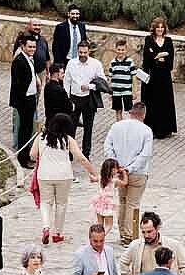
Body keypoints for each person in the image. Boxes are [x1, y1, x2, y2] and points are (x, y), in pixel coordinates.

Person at [31, 112, 97, 245]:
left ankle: (46, 227)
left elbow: (32, 154)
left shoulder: (41, 138)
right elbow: (81, 158)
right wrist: (93, 172)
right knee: (61, 204)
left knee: (46, 202)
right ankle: (58, 233)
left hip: (44, 175)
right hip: (64, 175)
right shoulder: (67, 140)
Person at [103, 101, 153, 246]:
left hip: (119, 171)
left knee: (123, 202)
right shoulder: (146, 130)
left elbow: (107, 146)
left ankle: (123, 233)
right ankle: (129, 235)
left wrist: (116, 165)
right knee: (132, 203)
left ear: (130, 112)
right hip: (138, 172)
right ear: (143, 114)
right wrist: (130, 168)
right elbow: (145, 154)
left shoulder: (116, 126)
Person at [119, 211, 185, 275]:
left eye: (149, 231)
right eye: (143, 232)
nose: (146, 235)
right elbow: (123, 263)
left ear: (157, 228)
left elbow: (184, 267)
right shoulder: (135, 245)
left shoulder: (173, 245)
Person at [64, 40, 106, 157]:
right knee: (71, 127)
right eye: (80, 52)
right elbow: (67, 81)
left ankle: (86, 154)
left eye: (85, 52)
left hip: (89, 99)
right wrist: (67, 99)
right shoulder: (71, 63)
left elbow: (103, 81)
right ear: (77, 51)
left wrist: (90, 86)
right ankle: (70, 152)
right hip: (74, 99)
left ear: (89, 52)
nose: (82, 55)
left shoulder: (96, 64)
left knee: (88, 128)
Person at [140, 16, 177, 139]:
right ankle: (152, 129)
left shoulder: (168, 41)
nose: (160, 29)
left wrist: (156, 56)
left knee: (164, 101)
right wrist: (159, 56)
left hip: (164, 76)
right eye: (158, 27)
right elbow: (147, 57)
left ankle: (165, 129)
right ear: (154, 28)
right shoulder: (149, 40)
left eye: (162, 27)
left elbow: (170, 59)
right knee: (152, 102)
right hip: (152, 76)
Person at [10, 33, 39, 169]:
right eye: (30, 47)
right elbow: (17, 83)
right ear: (23, 46)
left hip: (31, 97)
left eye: (34, 47)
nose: (32, 49)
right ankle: (23, 158)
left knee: (29, 128)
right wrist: (22, 100)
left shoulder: (29, 59)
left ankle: (26, 155)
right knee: (24, 130)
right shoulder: (19, 60)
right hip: (24, 100)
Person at [91, 158, 126, 236]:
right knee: (109, 225)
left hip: (99, 202)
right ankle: (100, 237)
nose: (117, 169)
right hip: (108, 203)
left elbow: (94, 179)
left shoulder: (100, 177)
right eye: (116, 168)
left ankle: (96, 236)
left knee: (100, 224)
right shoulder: (114, 180)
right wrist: (124, 172)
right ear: (112, 170)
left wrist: (92, 178)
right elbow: (125, 183)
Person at [25, 17, 51, 104]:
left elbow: (47, 58)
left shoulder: (43, 40)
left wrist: (48, 73)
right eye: (35, 25)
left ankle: (33, 115)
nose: (37, 27)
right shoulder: (24, 39)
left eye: (39, 25)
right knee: (27, 96)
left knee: (37, 95)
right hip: (28, 73)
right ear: (29, 26)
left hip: (40, 72)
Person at [109, 38, 136, 123]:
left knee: (130, 111)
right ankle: (119, 127)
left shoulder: (130, 62)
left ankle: (132, 127)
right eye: (119, 50)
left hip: (126, 91)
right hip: (116, 92)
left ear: (126, 50)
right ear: (116, 49)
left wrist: (134, 91)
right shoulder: (112, 62)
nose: (120, 52)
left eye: (122, 50)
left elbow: (134, 77)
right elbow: (111, 78)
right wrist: (110, 92)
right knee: (118, 110)